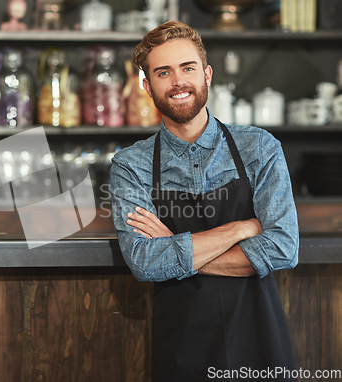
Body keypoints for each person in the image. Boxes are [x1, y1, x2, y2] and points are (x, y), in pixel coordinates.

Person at [109, 21, 299, 381]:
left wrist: (174, 249)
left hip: (258, 341)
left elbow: (283, 247)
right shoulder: (130, 165)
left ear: (207, 75)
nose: (178, 81)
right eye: (163, 72)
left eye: (188, 68)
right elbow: (145, 263)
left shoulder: (260, 148)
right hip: (183, 347)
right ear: (147, 85)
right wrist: (241, 228)